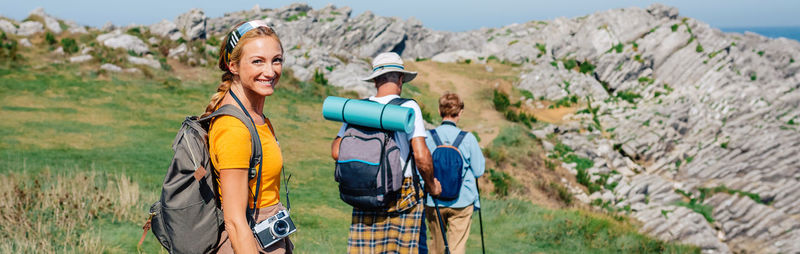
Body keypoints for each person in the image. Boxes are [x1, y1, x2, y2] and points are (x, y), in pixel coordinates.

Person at [330, 52, 442, 254]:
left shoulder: (358, 109)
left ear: (375, 81)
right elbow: (421, 157)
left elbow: (337, 152)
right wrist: (433, 185)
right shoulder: (409, 107)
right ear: (400, 79)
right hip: (403, 191)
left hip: (366, 187)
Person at [203, 20, 293, 253]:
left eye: (276, 60)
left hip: (267, 234)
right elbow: (234, 221)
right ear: (233, 66)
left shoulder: (254, 116)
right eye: (257, 62)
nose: (270, 71)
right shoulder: (234, 128)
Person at [424, 93, 485, 254]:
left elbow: (421, 168)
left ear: (439, 111)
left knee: (436, 247)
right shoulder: (468, 138)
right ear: (460, 113)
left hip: (434, 200)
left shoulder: (428, 137)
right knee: (456, 248)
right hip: (462, 201)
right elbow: (479, 170)